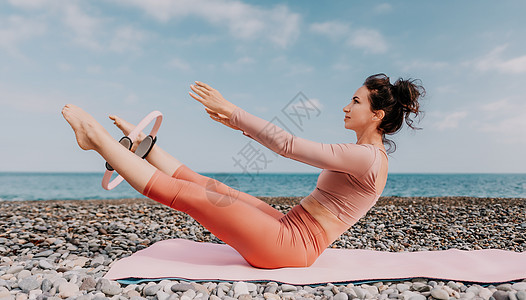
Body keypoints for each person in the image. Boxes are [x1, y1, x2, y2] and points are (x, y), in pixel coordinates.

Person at [62, 73, 424, 269]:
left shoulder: (367, 158)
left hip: (292, 246)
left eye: (356, 101)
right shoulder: (365, 154)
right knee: (210, 188)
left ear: (377, 115)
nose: (346, 106)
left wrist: (234, 113)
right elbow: (285, 144)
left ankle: (96, 139)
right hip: (289, 227)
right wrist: (236, 123)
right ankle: (143, 146)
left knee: (191, 198)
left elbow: (288, 146)